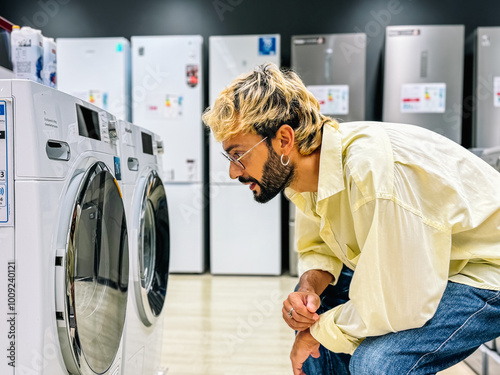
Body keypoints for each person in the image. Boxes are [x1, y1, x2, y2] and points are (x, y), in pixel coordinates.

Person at [202, 63, 500, 375]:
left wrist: (314, 333)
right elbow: (320, 248)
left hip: (485, 270)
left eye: (238, 155)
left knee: (377, 363)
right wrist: (308, 291)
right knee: (315, 314)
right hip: (432, 265)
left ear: (284, 140)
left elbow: (399, 306)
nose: (234, 171)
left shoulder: (370, 173)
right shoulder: (305, 179)